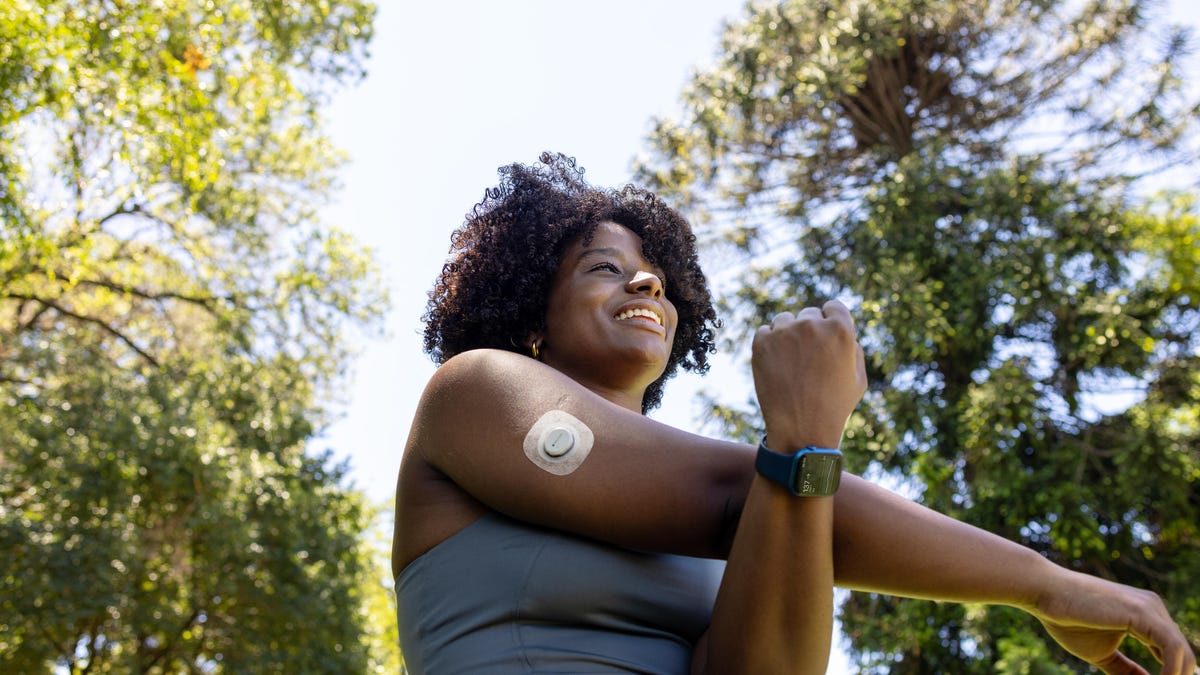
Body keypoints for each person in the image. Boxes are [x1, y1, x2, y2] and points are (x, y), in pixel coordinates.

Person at [392, 152, 1195, 674]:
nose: (647, 283)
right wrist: (1047, 585)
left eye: (659, 276)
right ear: (530, 317)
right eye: (605, 267)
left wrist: (802, 452)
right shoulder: (473, 393)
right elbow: (727, 493)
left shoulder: (753, 517)